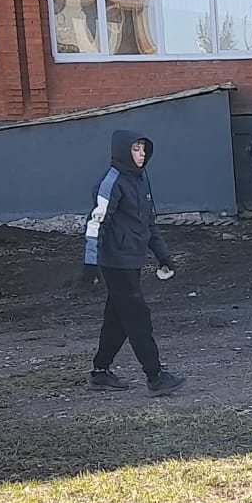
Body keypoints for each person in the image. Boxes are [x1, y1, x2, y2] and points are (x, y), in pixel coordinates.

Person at [83, 130, 186, 397]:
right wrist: (90, 263)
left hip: (133, 260)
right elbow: (96, 223)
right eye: (135, 149)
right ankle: (155, 377)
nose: (141, 154)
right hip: (115, 263)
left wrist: (163, 256)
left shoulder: (140, 180)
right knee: (138, 316)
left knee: (117, 319)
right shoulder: (111, 182)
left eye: (143, 149)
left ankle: (100, 372)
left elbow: (148, 223)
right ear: (122, 151)